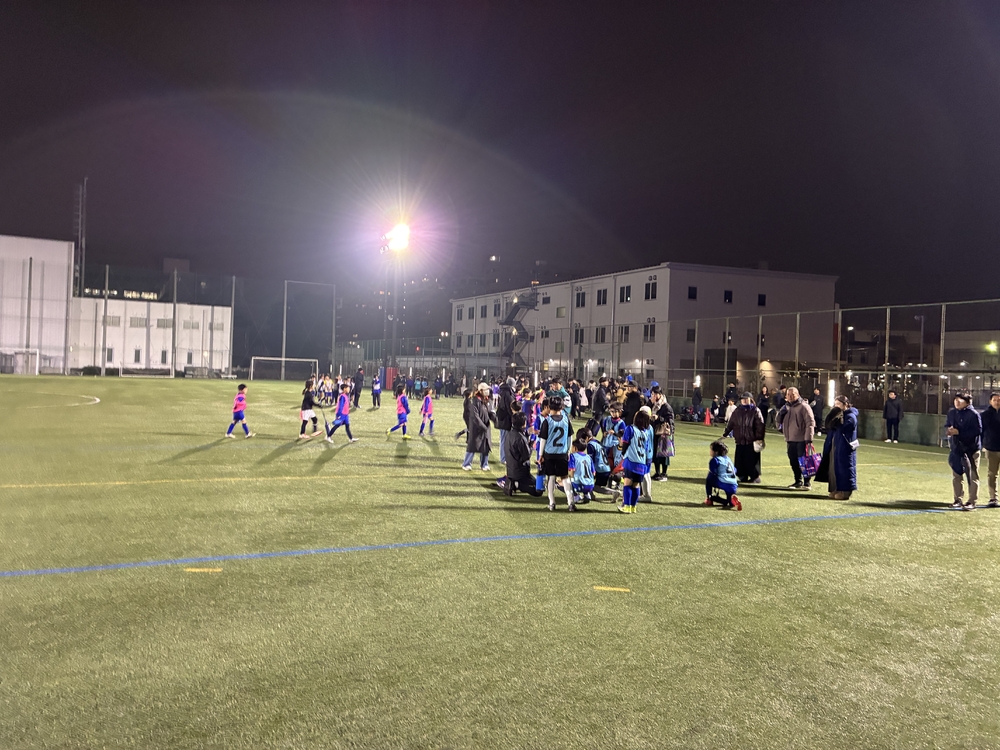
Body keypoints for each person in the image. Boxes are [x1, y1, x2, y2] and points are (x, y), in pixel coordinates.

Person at [538, 394, 575, 511]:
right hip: (562, 453)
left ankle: (552, 503)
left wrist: (540, 455)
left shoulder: (547, 421)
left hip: (549, 454)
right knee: (565, 478)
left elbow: (543, 440)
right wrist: (568, 451)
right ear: (562, 407)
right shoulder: (566, 420)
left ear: (549, 407)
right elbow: (570, 437)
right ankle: (571, 502)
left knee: (551, 478)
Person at [817, 395, 857, 500]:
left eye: (838, 404)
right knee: (833, 468)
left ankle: (845, 491)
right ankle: (834, 489)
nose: (836, 406)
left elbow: (846, 428)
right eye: (835, 404)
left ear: (845, 404)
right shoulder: (837, 414)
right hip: (834, 446)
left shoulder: (851, 416)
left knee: (844, 468)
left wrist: (838, 422)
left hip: (844, 447)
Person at [946, 393, 982, 510]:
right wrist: (949, 430)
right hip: (957, 448)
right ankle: (957, 499)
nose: (956, 402)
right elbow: (947, 425)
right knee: (956, 475)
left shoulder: (973, 414)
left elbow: (977, 431)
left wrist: (959, 432)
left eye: (960, 400)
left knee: (972, 475)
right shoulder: (952, 412)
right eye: (955, 400)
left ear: (967, 402)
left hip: (971, 449)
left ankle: (972, 501)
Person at [775, 386, 816, 490]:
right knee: (793, 461)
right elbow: (778, 420)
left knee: (804, 461)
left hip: (802, 439)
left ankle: (807, 483)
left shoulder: (804, 406)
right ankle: (798, 481)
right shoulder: (786, 407)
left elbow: (810, 422)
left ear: (798, 395)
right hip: (790, 438)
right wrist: (780, 415)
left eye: (792, 395)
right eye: (788, 395)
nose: (790, 397)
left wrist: (808, 438)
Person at [496, 412, 543, 496]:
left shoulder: (510, 434)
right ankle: (515, 485)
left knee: (538, 486)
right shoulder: (520, 438)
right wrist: (531, 444)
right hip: (520, 473)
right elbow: (527, 456)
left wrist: (527, 434)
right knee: (539, 490)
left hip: (511, 470)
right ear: (523, 423)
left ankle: (512, 482)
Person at [723, 392, 766, 483]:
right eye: (743, 399)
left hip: (751, 441)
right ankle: (742, 476)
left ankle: (754, 477)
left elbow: (760, 425)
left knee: (751, 461)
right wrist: (726, 433)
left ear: (751, 400)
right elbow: (731, 423)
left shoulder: (755, 410)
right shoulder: (737, 411)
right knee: (740, 461)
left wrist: (759, 438)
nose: (744, 401)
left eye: (746, 399)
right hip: (740, 440)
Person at [617, 409, 654, 514]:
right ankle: (633, 507)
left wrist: (623, 453)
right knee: (636, 485)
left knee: (627, 484)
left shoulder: (630, 428)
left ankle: (627, 507)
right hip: (641, 463)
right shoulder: (645, 432)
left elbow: (625, 442)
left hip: (631, 461)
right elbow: (646, 448)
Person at [463, 383, 494, 471]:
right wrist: (482, 426)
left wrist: (495, 419)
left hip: (485, 427)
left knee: (485, 446)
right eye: (485, 390)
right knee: (473, 446)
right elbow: (475, 416)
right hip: (476, 428)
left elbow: (490, 412)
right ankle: (466, 464)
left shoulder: (487, 400)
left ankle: (484, 464)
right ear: (481, 391)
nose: (487, 391)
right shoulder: (475, 401)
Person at [704, 440, 742, 511]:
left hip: (723, 482)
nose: (710, 451)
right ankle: (732, 500)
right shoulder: (728, 459)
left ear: (716, 452)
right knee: (730, 502)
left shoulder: (715, 459)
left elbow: (713, 472)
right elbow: (735, 470)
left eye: (711, 449)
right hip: (733, 484)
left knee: (709, 479)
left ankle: (709, 498)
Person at [650, 389, 675, 481]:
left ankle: (664, 473)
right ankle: (657, 472)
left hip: (664, 433)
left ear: (659, 394)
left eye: (654, 394)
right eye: (652, 394)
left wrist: (659, 418)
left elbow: (670, 420)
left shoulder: (666, 406)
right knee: (655, 453)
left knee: (664, 454)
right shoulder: (654, 405)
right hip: (655, 432)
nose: (653, 396)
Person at [981, 393, 1000, 508]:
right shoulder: (985, 415)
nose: (997, 402)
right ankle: (993, 498)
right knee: (992, 474)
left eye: (999, 400)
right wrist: (982, 444)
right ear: (990, 401)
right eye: (995, 400)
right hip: (991, 448)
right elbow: (981, 431)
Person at [496, 376, 517, 465]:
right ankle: (503, 458)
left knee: (504, 439)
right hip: (505, 419)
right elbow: (509, 407)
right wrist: (513, 416)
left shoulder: (504, 391)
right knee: (504, 439)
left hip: (503, 418)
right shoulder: (507, 393)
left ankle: (504, 457)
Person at [569, 438, 596, 504]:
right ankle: (586, 494)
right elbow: (594, 473)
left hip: (579, 485)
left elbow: (572, 470)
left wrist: (572, 480)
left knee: (561, 483)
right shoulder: (588, 457)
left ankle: (576, 496)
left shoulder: (572, 456)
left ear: (575, 448)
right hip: (590, 485)